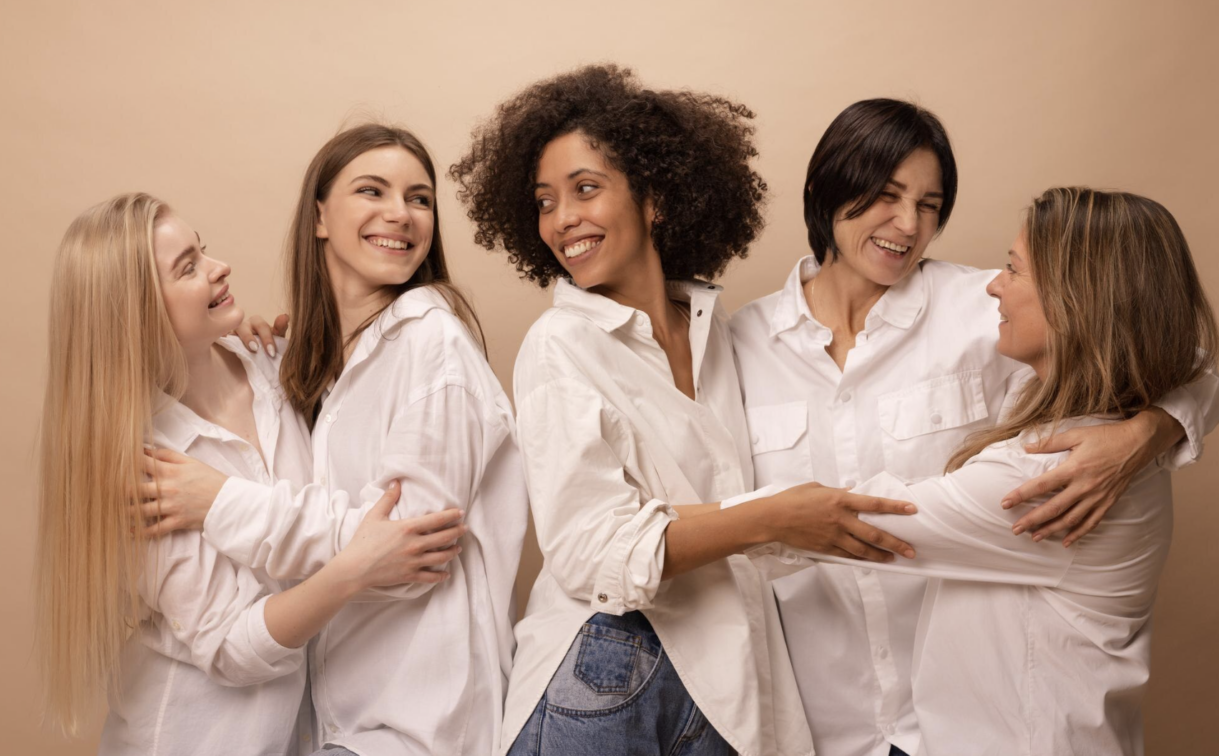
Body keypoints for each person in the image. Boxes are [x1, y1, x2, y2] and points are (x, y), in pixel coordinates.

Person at [449, 64, 917, 756]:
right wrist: (772, 517)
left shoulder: (716, 331)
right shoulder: (560, 344)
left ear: (655, 198)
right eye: (545, 201)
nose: (562, 218)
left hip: (725, 679)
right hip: (604, 667)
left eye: (585, 189)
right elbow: (588, 550)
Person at [730, 100, 1219, 756]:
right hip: (819, 723)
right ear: (824, 189)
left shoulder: (991, 304)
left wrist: (1148, 432)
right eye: (886, 196)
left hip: (960, 720)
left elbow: (1165, 344)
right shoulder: (737, 345)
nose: (908, 225)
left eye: (929, 205)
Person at [142, 125, 530, 755]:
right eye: (372, 190)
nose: (401, 214)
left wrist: (221, 501)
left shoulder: (431, 344)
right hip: (339, 728)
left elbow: (408, 553)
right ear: (319, 216)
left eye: (420, 198)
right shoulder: (312, 367)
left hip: (417, 728)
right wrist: (278, 350)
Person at [36, 192, 459, 754]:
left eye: (203, 251)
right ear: (136, 314)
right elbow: (232, 648)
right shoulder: (139, 468)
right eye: (188, 268)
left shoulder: (275, 364)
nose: (220, 267)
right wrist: (352, 571)